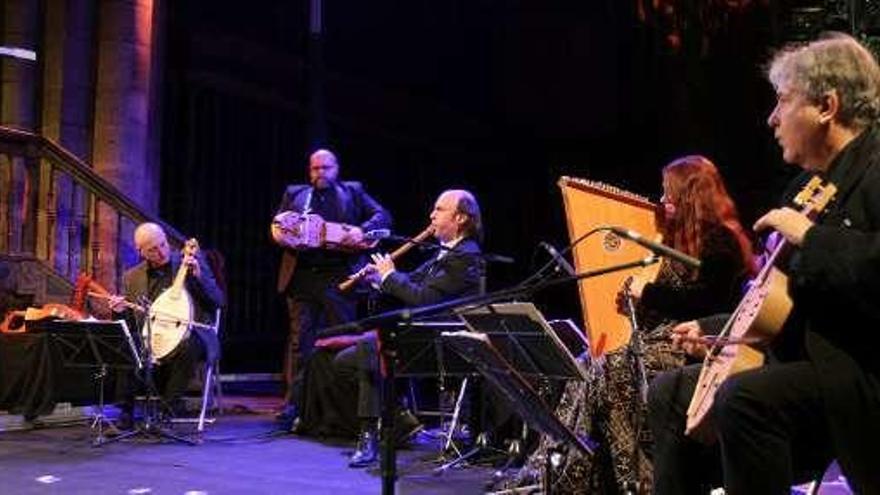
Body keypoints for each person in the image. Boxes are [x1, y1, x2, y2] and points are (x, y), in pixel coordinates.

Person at [647, 33, 880, 494]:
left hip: (860, 370)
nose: (772, 119)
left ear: (826, 107)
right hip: (803, 365)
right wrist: (717, 325)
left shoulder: (875, 171)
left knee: (745, 398)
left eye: (783, 101)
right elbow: (779, 300)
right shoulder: (804, 188)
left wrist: (809, 237)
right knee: (670, 391)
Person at [501, 155, 754, 493]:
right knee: (586, 365)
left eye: (669, 194)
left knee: (612, 367)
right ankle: (558, 471)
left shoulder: (722, 242)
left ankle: (632, 482)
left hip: (699, 347)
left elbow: (710, 303)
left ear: (689, 196)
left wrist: (647, 292)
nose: (662, 201)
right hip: (661, 341)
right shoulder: (674, 239)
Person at [298, 189, 485, 468]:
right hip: (415, 337)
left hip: (439, 342)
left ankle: (371, 434)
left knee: (366, 352)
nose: (431, 215)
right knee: (331, 350)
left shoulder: (466, 256)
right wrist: (375, 279)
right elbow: (411, 282)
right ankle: (396, 419)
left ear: (460, 218)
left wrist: (389, 276)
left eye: (439, 209)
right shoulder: (444, 253)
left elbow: (426, 299)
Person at [270, 149, 391, 422]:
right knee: (301, 343)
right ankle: (295, 406)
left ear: (336, 168)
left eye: (325, 167)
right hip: (302, 277)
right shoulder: (296, 194)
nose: (320, 173)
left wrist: (362, 230)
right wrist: (285, 234)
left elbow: (382, 216)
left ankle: (339, 407)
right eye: (315, 168)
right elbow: (278, 227)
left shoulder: (353, 191)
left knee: (342, 338)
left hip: (340, 278)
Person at [109, 222, 225, 419]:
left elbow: (217, 301)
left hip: (193, 332)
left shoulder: (189, 264)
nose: (161, 252)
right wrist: (119, 311)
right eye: (153, 250)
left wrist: (197, 277)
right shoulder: (132, 277)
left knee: (188, 345)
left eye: (163, 245)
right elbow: (130, 324)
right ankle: (125, 412)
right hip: (153, 335)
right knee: (127, 344)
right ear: (141, 251)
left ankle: (168, 408)